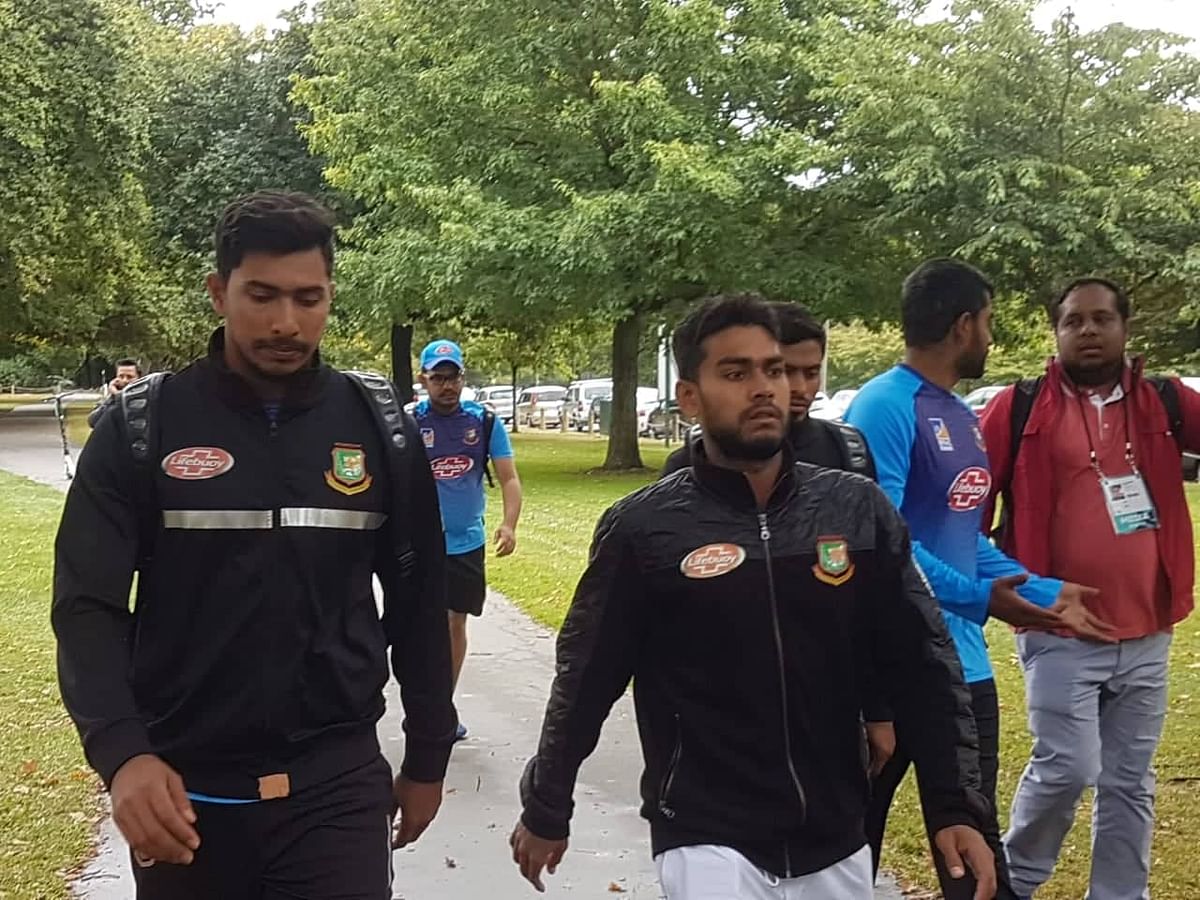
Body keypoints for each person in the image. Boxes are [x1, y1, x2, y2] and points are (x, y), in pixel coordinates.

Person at [511, 294, 997, 900]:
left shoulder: (856, 509)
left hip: (836, 829)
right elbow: (586, 679)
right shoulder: (644, 530)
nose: (765, 387)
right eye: (736, 373)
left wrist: (955, 806)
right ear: (691, 396)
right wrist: (547, 804)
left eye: (774, 369)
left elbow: (923, 662)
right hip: (705, 833)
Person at [52, 191, 456, 899]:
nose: (286, 323)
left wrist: (426, 756)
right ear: (218, 292)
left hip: (336, 789)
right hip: (187, 797)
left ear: (331, 297)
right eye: (261, 296)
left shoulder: (379, 429)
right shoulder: (140, 430)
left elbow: (420, 600)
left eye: (309, 298)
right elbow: (87, 608)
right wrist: (123, 755)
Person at [845, 258, 1111, 900]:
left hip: (962, 672)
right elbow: (882, 537)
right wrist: (980, 596)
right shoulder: (884, 405)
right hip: (885, 667)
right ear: (964, 326)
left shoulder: (961, 414)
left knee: (971, 846)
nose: (991, 337)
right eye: (989, 323)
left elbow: (963, 540)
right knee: (853, 839)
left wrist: (1042, 590)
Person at [980, 277, 1200, 900]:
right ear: (1057, 332)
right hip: (1059, 627)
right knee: (1068, 767)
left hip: (1149, 626)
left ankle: (1120, 893)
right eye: (1074, 321)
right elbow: (969, 509)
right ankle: (1015, 882)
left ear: (1126, 329)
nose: (1089, 330)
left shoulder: (1164, 401)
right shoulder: (1018, 407)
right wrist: (1002, 587)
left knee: (1130, 780)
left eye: (1102, 319)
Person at [661, 302, 893, 773]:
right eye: (787, 370)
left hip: (833, 705)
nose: (799, 388)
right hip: (730, 722)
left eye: (811, 373)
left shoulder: (845, 455)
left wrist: (879, 706)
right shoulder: (687, 473)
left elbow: (875, 603)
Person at [414, 338, 523, 740]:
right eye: (438, 377)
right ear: (423, 379)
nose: (447, 385)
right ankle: (424, 703)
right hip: (420, 543)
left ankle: (441, 707)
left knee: (453, 621)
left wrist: (509, 524)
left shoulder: (484, 422)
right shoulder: (409, 422)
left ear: (463, 377)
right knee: (419, 626)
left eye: (453, 377)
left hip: (465, 542)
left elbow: (509, 478)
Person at [88, 358, 143, 427]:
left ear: (139, 378)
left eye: (129, 377)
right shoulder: (110, 400)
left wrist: (118, 396)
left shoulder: (147, 398)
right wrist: (113, 397)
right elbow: (93, 422)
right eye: (121, 376)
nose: (125, 380)